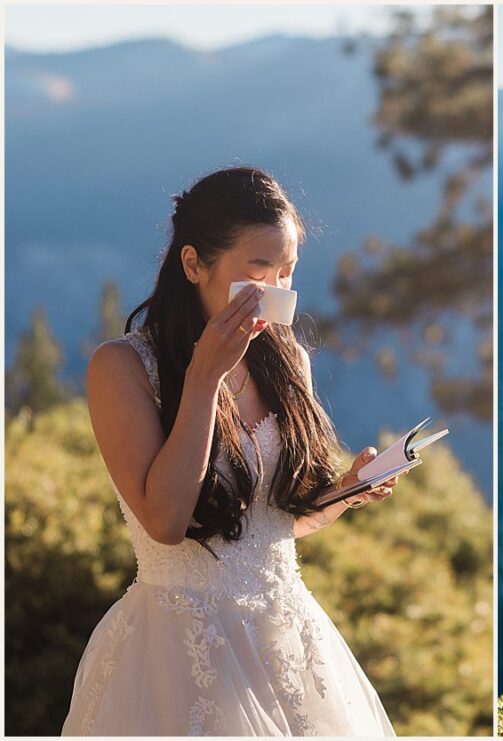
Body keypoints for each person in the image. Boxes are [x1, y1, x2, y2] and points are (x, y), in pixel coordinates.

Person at [63, 166, 398, 735]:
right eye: (258, 272)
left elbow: (273, 527)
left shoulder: (288, 360)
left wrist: (346, 492)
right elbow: (165, 522)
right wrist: (203, 380)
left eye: (287, 272)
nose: (276, 292)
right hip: (178, 650)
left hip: (288, 640)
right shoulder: (122, 367)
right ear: (194, 264)